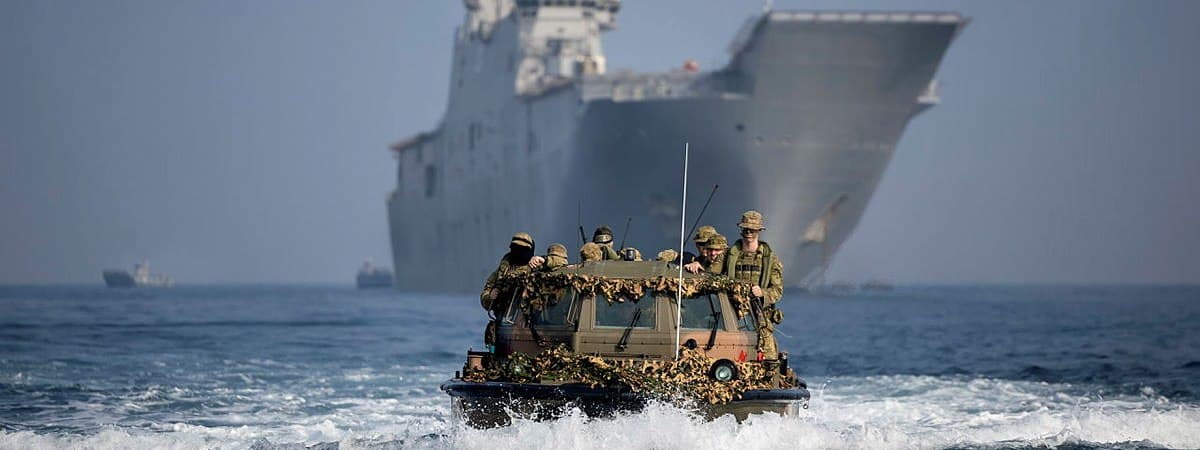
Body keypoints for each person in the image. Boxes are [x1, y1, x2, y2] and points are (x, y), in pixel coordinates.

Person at [721, 211, 784, 358]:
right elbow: (711, 269)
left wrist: (762, 293)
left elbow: (777, 290)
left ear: (759, 231)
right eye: (746, 229)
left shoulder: (770, 259)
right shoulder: (730, 255)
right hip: (732, 312)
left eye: (752, 230)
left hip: (759, 315)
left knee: (768, 357)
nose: (748, 233)